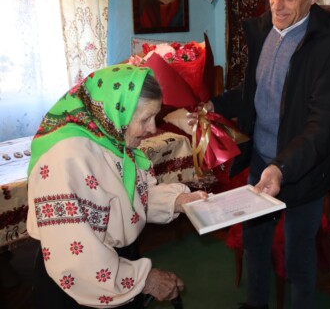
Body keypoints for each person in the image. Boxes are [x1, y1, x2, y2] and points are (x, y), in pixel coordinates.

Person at [197, 0, 330, 309]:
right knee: (255, 244)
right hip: (261, 162)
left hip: (303, 172)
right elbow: (255, 91)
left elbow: (323, 127)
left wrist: (282, 167)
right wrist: (214, 105)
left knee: (298, 259)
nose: (276, 6)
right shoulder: (264, 31)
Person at [26, 65, 208, 308]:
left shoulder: (110, 139)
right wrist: (144, 280)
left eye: (154, 117)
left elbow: (126, 197)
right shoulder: (65, 159)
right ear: (117, 109)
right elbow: (76, 259)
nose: (153, 129)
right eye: (145, 118)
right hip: (79, 284)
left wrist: (179, 201)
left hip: (112, 263)